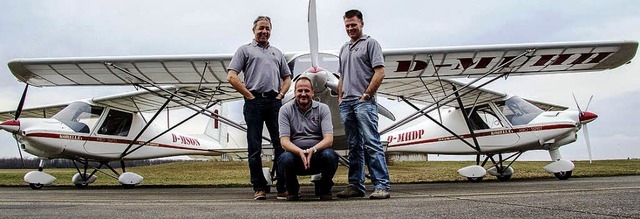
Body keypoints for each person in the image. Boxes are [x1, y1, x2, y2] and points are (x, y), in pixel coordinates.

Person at [227, 15, 292, 200]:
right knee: (254, 146)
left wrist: (280, 94)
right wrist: (248, 95)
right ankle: (259, 187)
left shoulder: (277, 53)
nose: (264, 31)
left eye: (267, 28)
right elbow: (231, 76)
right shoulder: (244, 50)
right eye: (261, 28)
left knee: (281, 145)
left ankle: (282, 187)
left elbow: (287, 78)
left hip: (274, 102)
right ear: (254, 30)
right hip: (253, 102)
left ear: (271, 30)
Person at [336, 9, 391, 199]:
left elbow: (380, 72)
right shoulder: (344, 48)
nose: (350, 28)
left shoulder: (371, 44)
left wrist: (367, 95)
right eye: (347, 25)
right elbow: (342, 75)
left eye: (353, 24)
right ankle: (356, 185)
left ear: (361, 24)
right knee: (353, 146)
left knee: (372, 143)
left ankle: (382, 185)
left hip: (363, 103)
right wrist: (340, 97)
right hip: (347, 103)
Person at [278, 77, 337, 201]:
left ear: (312, 92)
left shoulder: (323, 108)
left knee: (330, 155)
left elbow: (329, 139)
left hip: (317, 155)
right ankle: (292, 189)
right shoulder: (285, 110)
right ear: (294, 93)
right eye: (300, 91)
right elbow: (284, 142)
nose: (303, 94)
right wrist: (300, 152)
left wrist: (313, 150)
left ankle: (325, 188)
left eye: (306, 90)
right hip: (295, 156)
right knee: (284, 158)